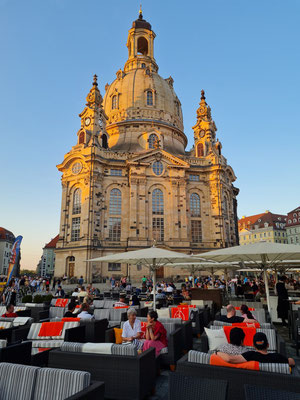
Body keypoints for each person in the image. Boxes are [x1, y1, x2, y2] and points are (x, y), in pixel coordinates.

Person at [217, 332, 295, 367]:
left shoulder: (250, 355)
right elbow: (292, 362)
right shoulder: (278, 357)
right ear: (267, 345)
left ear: (254, 346)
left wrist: (217, 353)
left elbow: (229, 359)